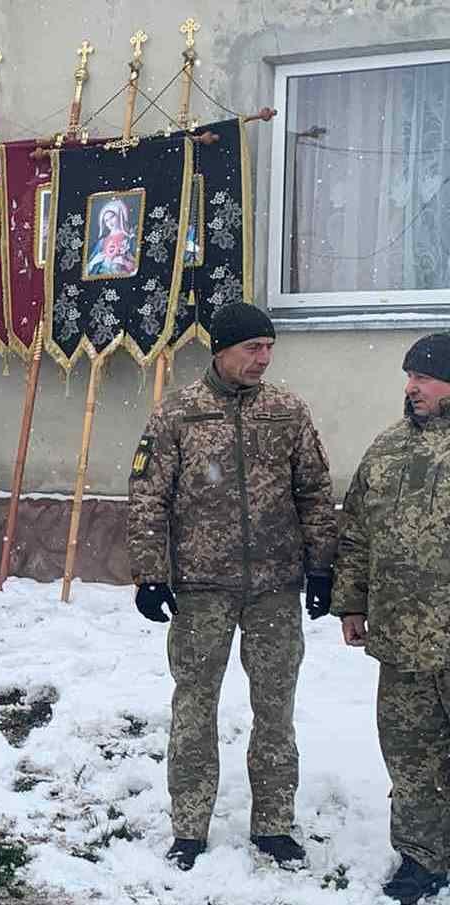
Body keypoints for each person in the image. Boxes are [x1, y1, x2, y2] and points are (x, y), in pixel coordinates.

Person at [126, 302, 338, 872]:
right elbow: (149, 498)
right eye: (253, 348)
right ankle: (189, 828)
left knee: (275, 710)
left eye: (269, 347)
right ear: (221, 349)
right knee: (195, 707)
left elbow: (314, 493)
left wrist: (321, 568)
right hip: (201, 589)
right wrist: (150, 573)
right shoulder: (178, 415)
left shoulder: (287, 412)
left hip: (274, 587)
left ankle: (273, 825)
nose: (263, 358)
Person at [333, 333, 450, 905]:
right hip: (402, 642)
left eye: (424, 377)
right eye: (409, 377)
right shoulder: (387, 449)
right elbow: (355, 532)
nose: (411, 388)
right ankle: (422, 858)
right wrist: (352, 604)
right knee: (410, 756)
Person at [87, 198, 136, 276]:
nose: (110, 222)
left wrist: (125, 262)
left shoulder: (130, 238)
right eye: (106, 220)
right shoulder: (102, 242)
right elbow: (87, 270)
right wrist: (93, 262)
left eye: (112, 217)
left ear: (119, 216)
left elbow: (137, 266)